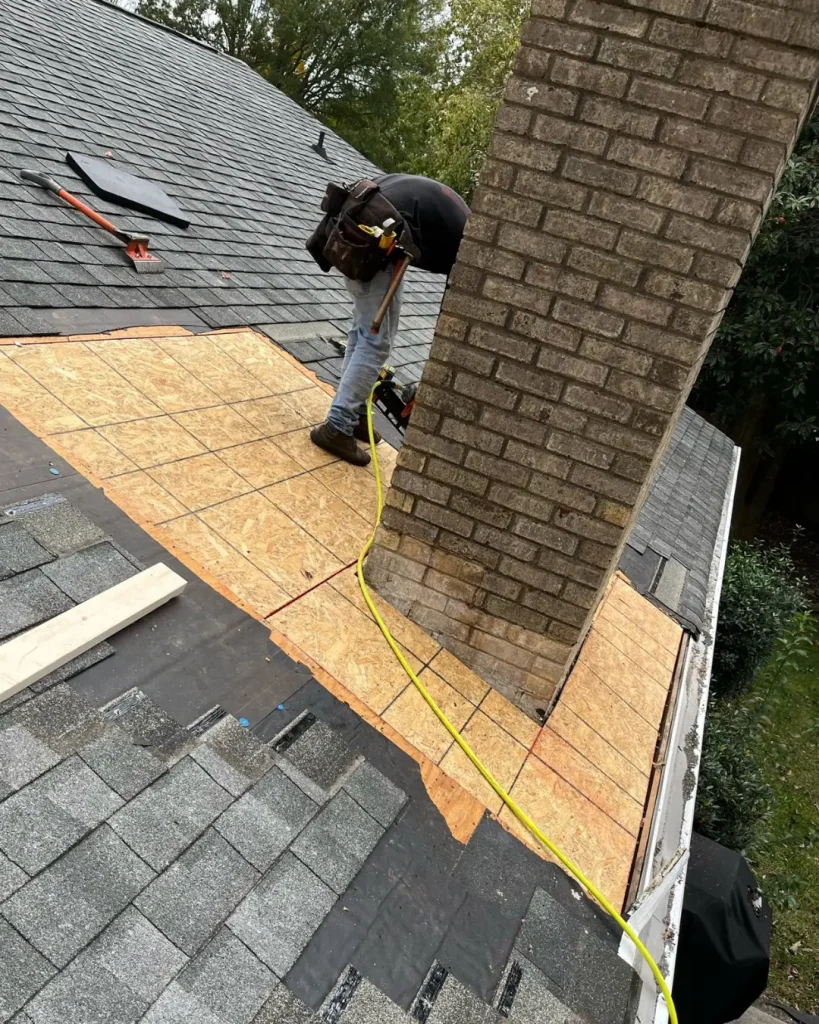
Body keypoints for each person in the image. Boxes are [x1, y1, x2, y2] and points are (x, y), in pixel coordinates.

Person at [309, 173, 469, 466]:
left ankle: (353, 414)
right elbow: (455, 302)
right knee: (375, 343)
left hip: (356, 228)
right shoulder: (472, 244)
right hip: (371, 240)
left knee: (362, 334)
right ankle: (338, 427)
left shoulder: (462, 219)